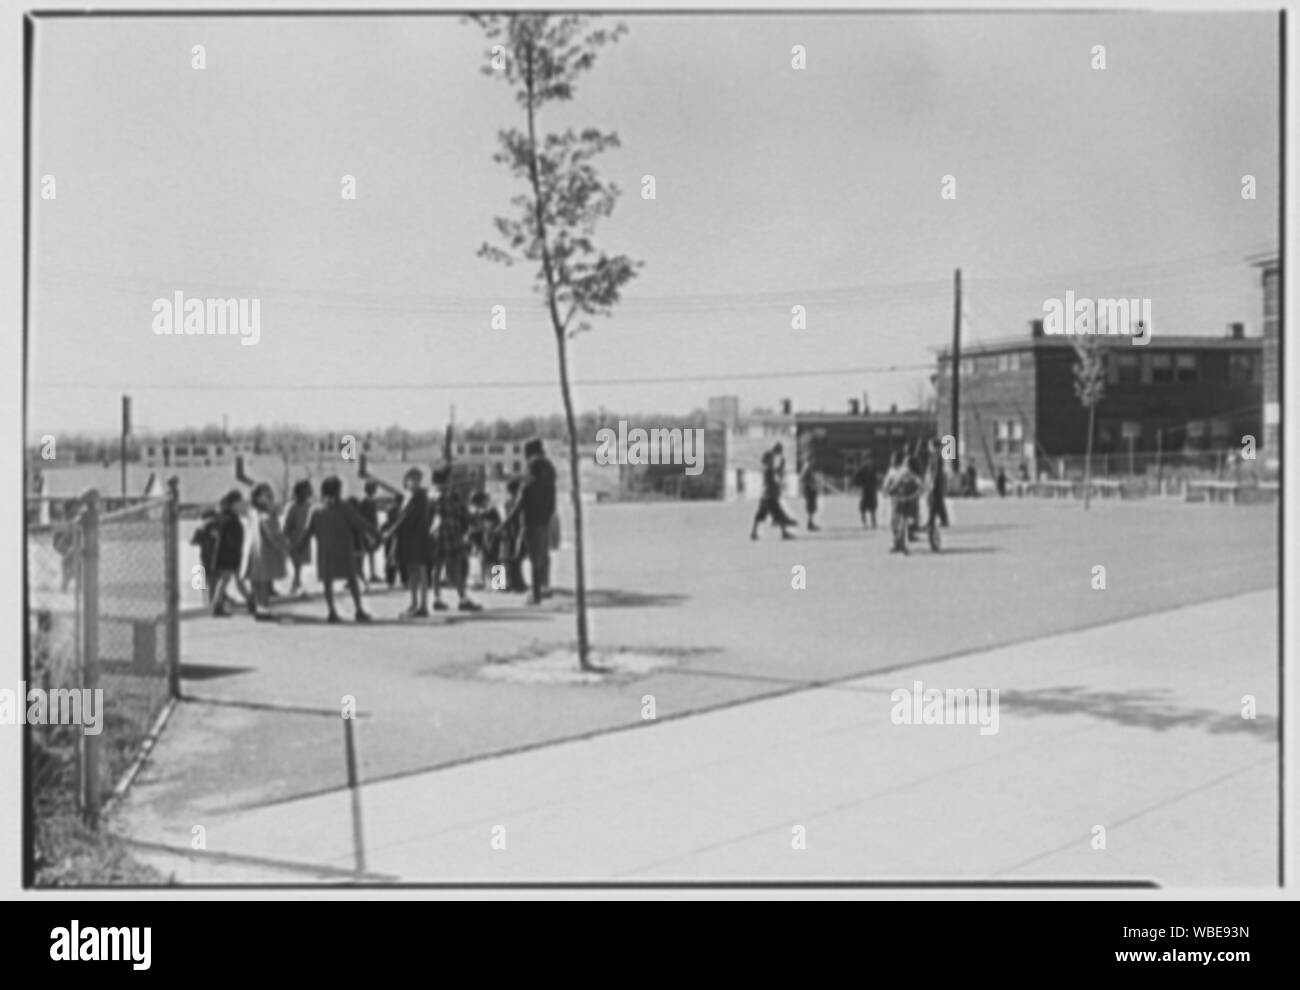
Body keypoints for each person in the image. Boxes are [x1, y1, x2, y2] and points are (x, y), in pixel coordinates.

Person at [293, 476, 377, 623]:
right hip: (344, 549)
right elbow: (361, 523)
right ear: (338, 490)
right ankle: (358, 610)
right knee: (352, 580)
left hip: (325, 551)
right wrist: (377, 534)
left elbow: (307, 531)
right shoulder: (345, 508)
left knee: (328, 582)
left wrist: (298, 548)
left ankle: (332, 611)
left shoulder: (316, 510)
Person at [503, 438, 558, 604]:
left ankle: (506, 586)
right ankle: (541, 587)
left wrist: (504, 524)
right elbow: (551, 503)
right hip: (542, 520)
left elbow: (519, 504)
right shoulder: (549, 477)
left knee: (509, 557)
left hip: (528, 522)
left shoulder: (526, 486)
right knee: (540, 557)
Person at [429, 466, 482, 612]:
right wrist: (474, 522)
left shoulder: (432, 495)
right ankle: (463, 598)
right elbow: (462, 513)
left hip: (436, 534)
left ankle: (436, 598)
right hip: (451, 533)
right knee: (456, 568)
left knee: (437, 568)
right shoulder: (450, 496)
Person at [381, 467, 433, 617]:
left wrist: (390, 531)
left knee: (420, 571)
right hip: (409, 539)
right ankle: (414, 603)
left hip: (417, 539)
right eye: (412, 479)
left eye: (416, 479)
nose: (413, 482)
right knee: (412, 572)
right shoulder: (411, 496)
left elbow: (406, 517)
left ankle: (422, 605)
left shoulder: (419, 496)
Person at [245, 483, 290, 618]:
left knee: (257, 581)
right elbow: (273, 534)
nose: (270, 497)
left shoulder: (253, 512)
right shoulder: (265, 515)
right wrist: (284, 546)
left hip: (254, 551)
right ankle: (262, 608)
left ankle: (258, 606)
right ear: (258, 497)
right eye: (266, 495)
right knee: (263, 582)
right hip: (265, 552)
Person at [210, 489, 254, 616]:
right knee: (227, 580)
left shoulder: (227, 517)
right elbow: (232, 541)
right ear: (234, 504)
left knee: (232, 580)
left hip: (227, 555)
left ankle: (251, 602)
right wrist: (238, 556)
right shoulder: (230, 520)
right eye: (240, 502)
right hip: (229, 556)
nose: (243, 505)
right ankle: (217, 606)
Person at [750, 450, 797, 541]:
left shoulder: (767, 470)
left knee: (761, 514)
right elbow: (776, 479)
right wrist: (781, 484)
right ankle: (785, 533)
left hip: (765, 497)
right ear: (769, 461)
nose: (774, 461)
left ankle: (754, 532)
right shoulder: (770, 471)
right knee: (779, 514)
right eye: (772, 460)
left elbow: (776, 474)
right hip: (771, 497)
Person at [883, 453, 923, 555]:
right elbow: (896, 482)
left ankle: (903, 546)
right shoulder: (902, 472)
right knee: (897, 523)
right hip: (900, 500)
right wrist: (890, 490)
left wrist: (914, 494)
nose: (904, 464)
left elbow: (919, 485)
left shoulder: (910, 474)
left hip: (906, 501)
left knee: (903, 524)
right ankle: (899, 544)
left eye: (906, 462)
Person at [282, 480, 314, 597]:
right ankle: (296, 585)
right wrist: (285, 539)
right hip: (293, 540)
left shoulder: (308, 506)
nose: (306, 494)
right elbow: (286, 524)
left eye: (307, 491)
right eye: (304, 491)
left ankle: (296, 585)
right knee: (296, 564)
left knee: (299, 565)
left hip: (304, 539)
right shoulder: (292, 507)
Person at [468, 490, 503, 591]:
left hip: (491, 538)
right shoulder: (477, 512)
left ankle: (498, 583)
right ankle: (485, 582)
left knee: (494, 560)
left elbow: (496, 523)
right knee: (485, 561)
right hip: (482, 539)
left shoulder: (490, 511)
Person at [498, 477, 529, 592]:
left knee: (507, 559)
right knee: (512, 559)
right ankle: (513, 584)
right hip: (511, 533)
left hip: (508, 533)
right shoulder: (514, 503)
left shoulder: (506, 503)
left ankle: (503, 584)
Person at [190, 509, 221, 603]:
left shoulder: (201, 528)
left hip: (206, 558)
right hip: (215, 559)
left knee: (207, 583)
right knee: (213, 583)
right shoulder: (215, 526)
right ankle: (212, 603)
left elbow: (193, 542)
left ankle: (207, 603)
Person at [358, 481, 382, 583]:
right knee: (363, 553)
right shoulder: (365, 502)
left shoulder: (370, 501)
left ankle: (372, 574)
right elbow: (363, 518)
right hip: (367, 531)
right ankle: (362, 574)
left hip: (371, 531)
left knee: (371, 553)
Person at [926, 439, 949, 530]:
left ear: (934, 447)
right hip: (937, 482)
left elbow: (935, 471)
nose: (929, 447)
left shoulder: (936, 456)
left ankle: (931, 521)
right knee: (938, 502)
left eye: (930, 445)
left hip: (936, 482)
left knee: (933, 502)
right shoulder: (937, 455)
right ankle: (944, 520)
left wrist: (932, 483)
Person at [851, 456, 878, 529]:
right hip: (864, 491)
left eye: (870, 460)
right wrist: (861, 484)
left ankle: (873, 523)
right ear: (865, 461)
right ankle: (864, 523)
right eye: (868, 460)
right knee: (863, 508)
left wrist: (875, 485)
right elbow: (854, 478)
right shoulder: (861, 469)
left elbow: (875, 479)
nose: (869, 461)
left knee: (873, 508)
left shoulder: (873, 468)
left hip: (872, 491)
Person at [799, 460, 820, 531]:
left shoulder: (808, 467)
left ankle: (811, 523)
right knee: (811, 507)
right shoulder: (807, 467)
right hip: (809, 490)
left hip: (811, 489)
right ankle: (810, 524)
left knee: (812, 507)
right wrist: (810, 484)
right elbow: (802, 478)